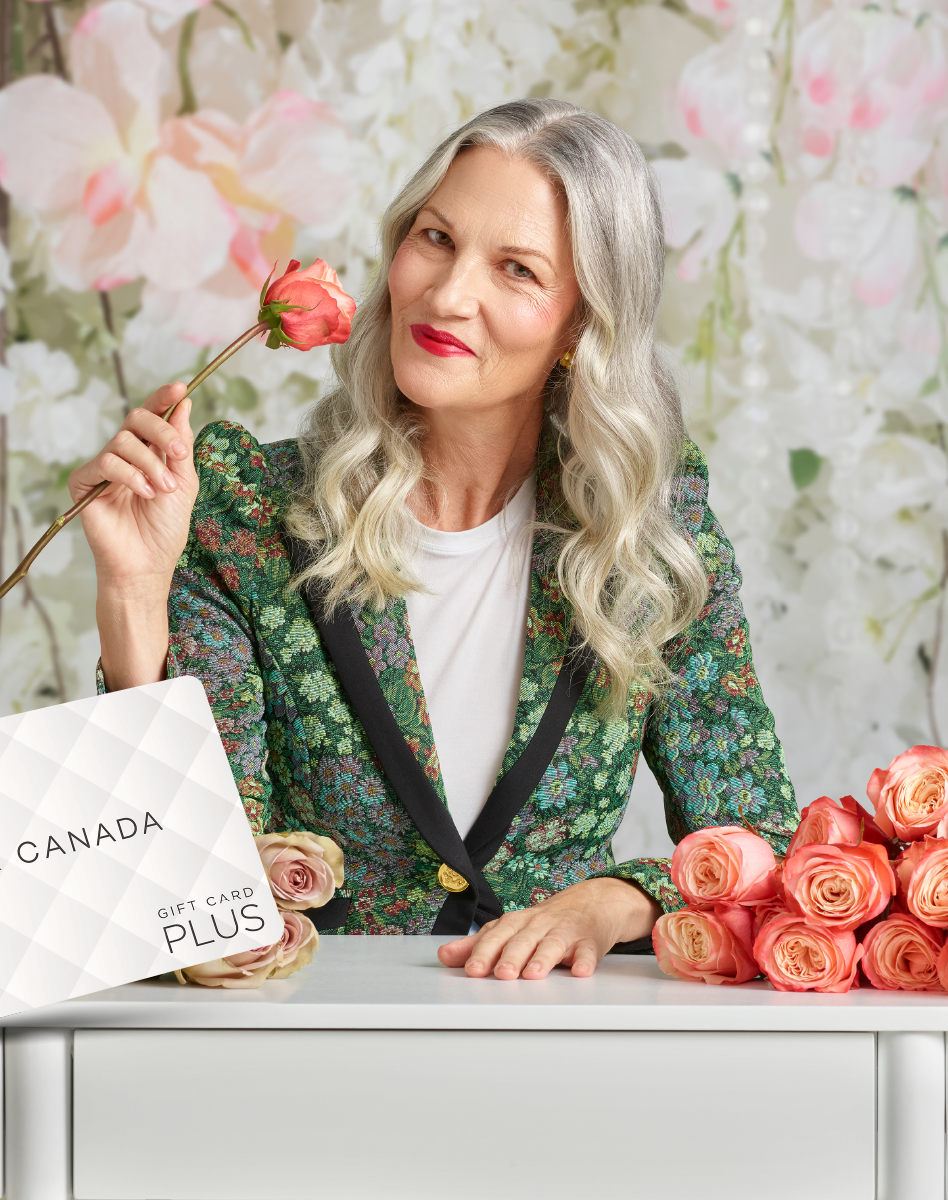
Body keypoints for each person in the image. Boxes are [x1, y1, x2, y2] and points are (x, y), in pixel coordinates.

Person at [71, 98, 797, 981]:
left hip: (553, 1052)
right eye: (436, 238)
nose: (448, 295)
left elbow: (758, 841)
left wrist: (611, 904)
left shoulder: (650, 536)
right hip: (302, 1047)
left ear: (581, 324)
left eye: (518, 270)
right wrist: (135, 593)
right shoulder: (245, 508)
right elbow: (183, 883)